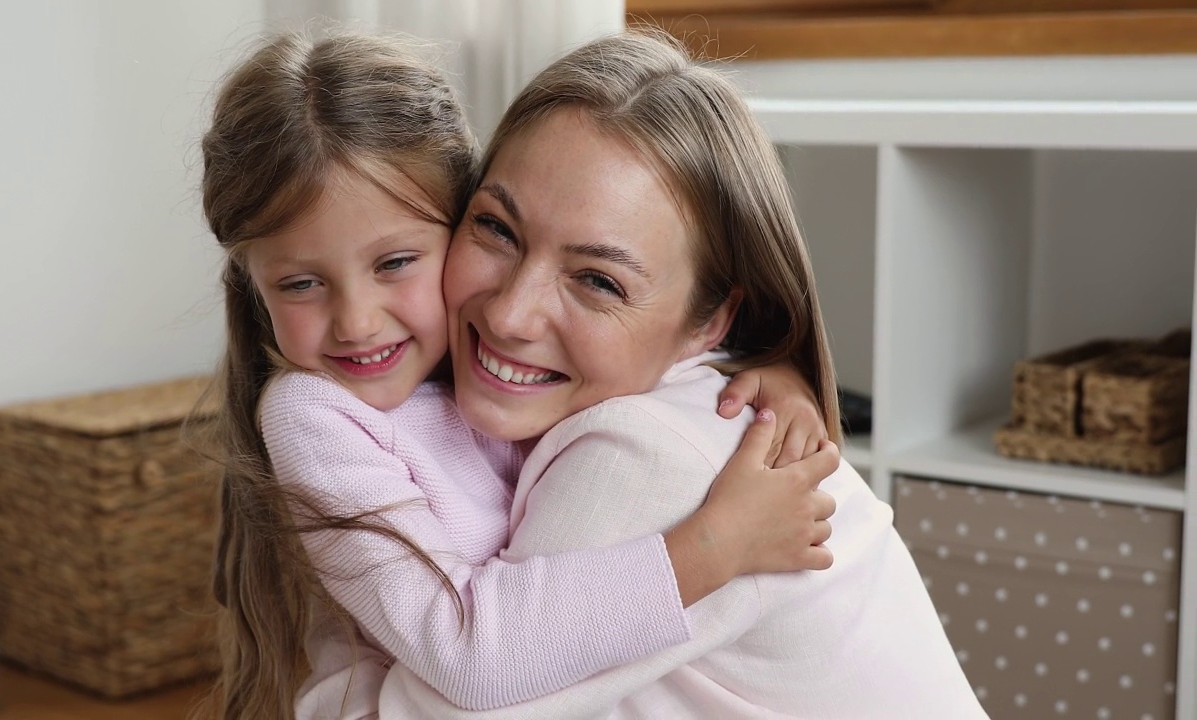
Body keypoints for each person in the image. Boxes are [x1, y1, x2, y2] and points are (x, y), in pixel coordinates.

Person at [197, 30, 839, 720]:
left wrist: (760, 370)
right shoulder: (316, 416)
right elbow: (472, 657)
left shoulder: (471, 362)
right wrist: (714, 546)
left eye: (395, 265)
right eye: (298, 284)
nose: (356, 322)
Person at [375, 29, 988, 719]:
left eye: (599, 281)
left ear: (709, 323)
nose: (513, 313)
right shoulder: (666, 405)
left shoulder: (645, 454)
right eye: (497, 229)